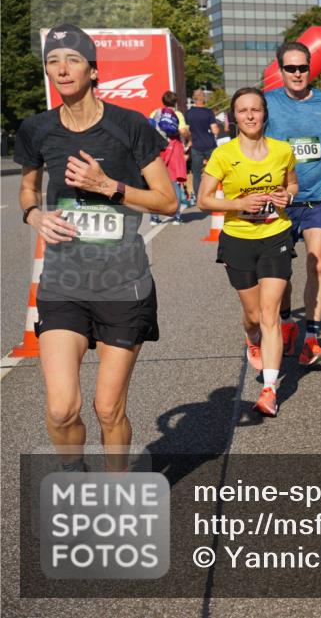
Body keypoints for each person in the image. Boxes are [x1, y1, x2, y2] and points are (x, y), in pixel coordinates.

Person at [16, 25, 178, 471]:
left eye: (71, 59)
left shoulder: (129, 126)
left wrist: (109, 186)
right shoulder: (37, 129)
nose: (62, 69)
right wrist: (34, 215)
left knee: (109, 410)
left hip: (123, 286)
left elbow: (168, 200)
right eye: (53, 61)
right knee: (61, 409)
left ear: (93, 70)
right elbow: (28, 191)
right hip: (62, 285)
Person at [199, 88, 298, 416]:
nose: (250, 115)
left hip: (276, 234)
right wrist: (239, 203)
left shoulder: (282, 151)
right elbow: (204, 199)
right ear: (234, 117)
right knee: (254, 315)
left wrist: (288, 196)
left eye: (256, 109)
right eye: (243, 111)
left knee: (270, 314)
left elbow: (292, 184)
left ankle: (269, 389)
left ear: (265, 114)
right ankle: (250, 335)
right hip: (238, 239)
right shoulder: (223, 155)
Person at [264, 41, 321, 368]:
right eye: (291, 68)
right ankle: (285, 323)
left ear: (310, 69)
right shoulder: (268, 102)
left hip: (317, 196)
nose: (298, 74)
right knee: (280, 273)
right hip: (281, 199)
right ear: (280, 70)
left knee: (319, 264)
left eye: (303, 68)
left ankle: (311, 337)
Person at [148, 90, 189, 225]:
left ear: (163, 101)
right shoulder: (177, 114)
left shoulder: (156, 113)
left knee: (155, 182)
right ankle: (176, 216)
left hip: (158, 148)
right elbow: (183, 131)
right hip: (174, 147)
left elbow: (149, 128)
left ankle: (154, 217)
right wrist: (187, 136)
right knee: (174, 182)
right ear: (175, 102)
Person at [185, 89, 219, 207]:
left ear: (194, 98)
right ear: (203, 98)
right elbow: (215, 130)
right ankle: (218, 194)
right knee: (217, 171)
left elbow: (186, 130)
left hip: (196, 146)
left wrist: (190, 139)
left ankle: (199, 199)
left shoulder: (189, 113)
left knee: (196, 174)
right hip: (210, 145)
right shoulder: (208, 112)